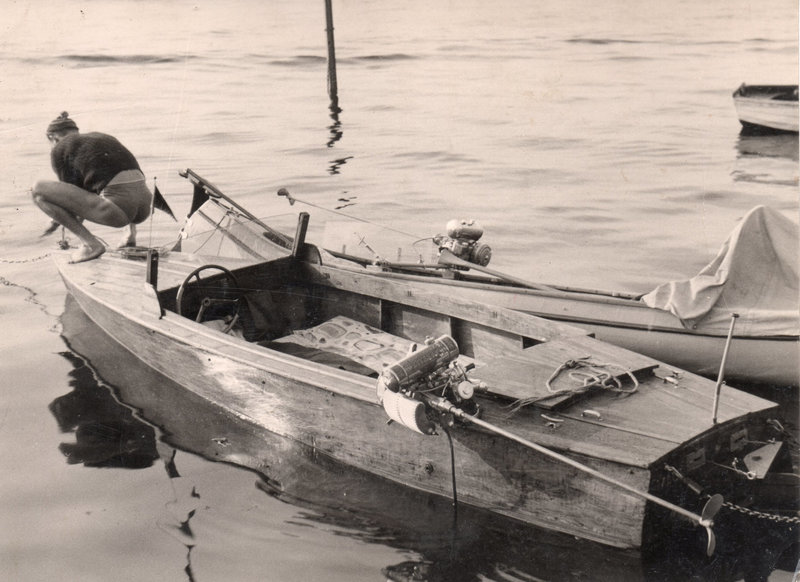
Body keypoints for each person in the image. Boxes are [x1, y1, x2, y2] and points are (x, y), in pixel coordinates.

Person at [32, 112, 153, 263]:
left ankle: (90, 244)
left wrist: (56, 221)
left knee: (38, 190)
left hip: (120, 210)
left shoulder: (60, 148)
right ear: (76, 132)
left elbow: (72, 202)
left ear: (52, 138)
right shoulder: (102, 138)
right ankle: (130, 234)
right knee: (120, 182)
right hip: (145, 207)